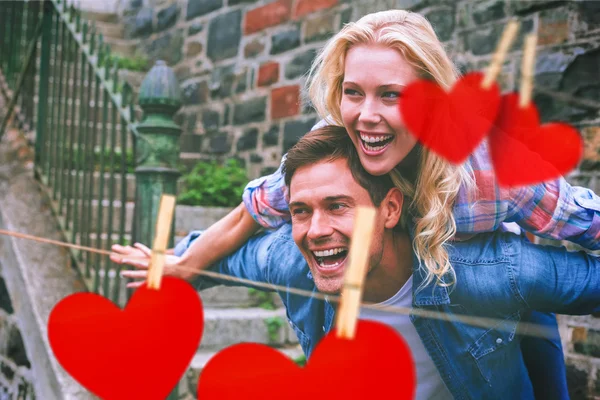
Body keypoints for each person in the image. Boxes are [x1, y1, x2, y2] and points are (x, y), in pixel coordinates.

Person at [114, 9, 600, 398]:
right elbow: (251, 213)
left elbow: (583, 220)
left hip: (498, 291)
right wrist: (184, 266)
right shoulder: (331, 157)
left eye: (391, 95)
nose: (367, 117)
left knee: (534, 341)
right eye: (353, 93)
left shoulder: (487, 173)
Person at [116, 126, 600, 400]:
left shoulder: (493, 269)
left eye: (338, 206)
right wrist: (174, 264)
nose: (315, 229)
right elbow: (229, 258)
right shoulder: (291, 260)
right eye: (301, 211)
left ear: (390, 208)